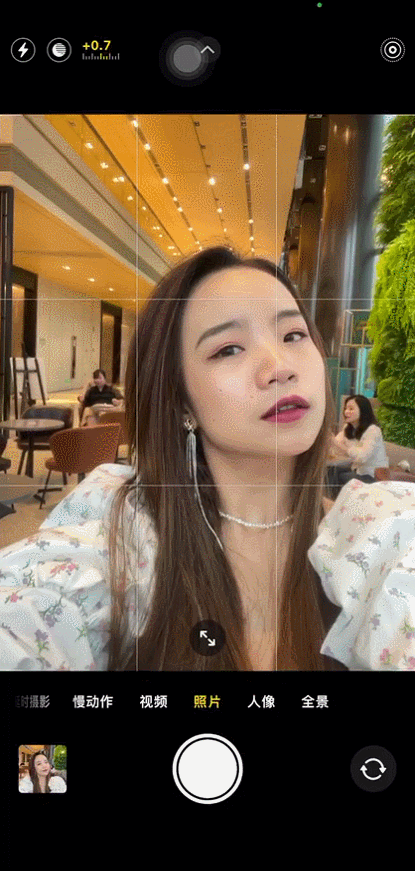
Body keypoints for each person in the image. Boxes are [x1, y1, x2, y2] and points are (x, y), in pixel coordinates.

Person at [0, 246, 415, 672]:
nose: (280, 367)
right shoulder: (122, 537)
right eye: (229, 349)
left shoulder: (382, 539)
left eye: (293, 335)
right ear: (182, 402)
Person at [327, 394, 389, 495]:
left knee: (341, 477)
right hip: (357, 470)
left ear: (363, 411)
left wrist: (337, 444)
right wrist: (328, 440)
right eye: (345, 408)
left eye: (351, 409)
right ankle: (331, 501)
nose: (346, 412)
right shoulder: (348, 428)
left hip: (373, 476)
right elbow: (335, 446)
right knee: (331, 470)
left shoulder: (373, 430)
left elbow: (362, 457)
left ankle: (336, 501)